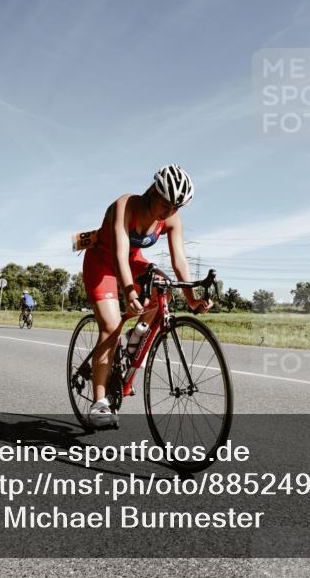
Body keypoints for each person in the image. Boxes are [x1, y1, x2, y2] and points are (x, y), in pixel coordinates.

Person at [82, 164, 212, 427]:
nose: (170, 212)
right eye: (166, 204)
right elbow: (119, 254)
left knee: (162, 283)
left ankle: (137, 334)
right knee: (110, 326)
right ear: (153, 191)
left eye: (176, 207)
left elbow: (180, 263)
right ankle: (99, 403)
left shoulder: (171, 218)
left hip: (131, 261)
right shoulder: (125, 205)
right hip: (102, 262)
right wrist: (129, 291)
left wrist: (192, 298)